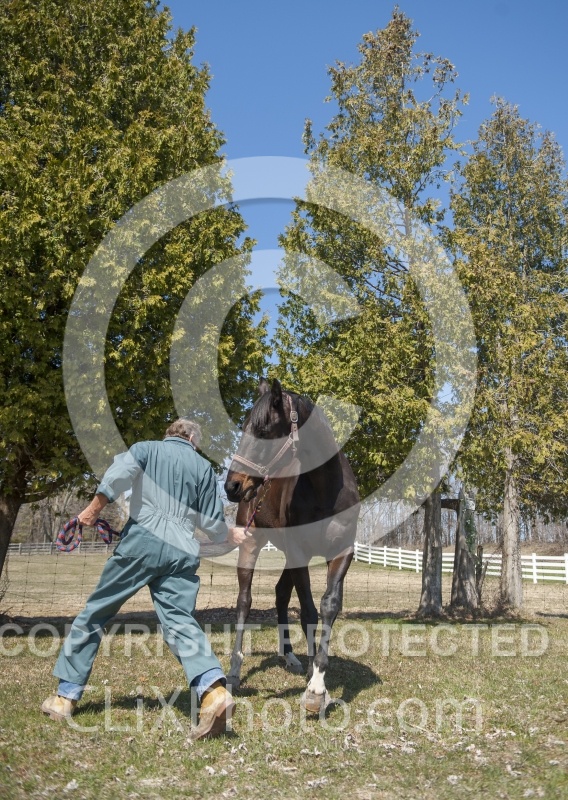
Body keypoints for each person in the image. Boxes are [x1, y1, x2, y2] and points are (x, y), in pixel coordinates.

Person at [41, 418, 248, 740]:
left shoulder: (146, 450)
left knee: (95, 613)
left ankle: (64, 698)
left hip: (141, 544)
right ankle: (214, 692)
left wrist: (92, 511)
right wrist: (229, 533)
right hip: (181, 551)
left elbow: (117, 477)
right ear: (193, 439)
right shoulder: (204, 468)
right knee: (180, 621)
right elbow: (211, 523)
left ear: (170, 433)